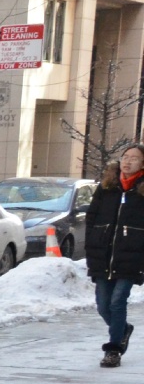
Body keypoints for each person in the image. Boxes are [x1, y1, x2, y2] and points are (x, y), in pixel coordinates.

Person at [85, 145, 144, 367]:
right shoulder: (107, 187)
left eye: (135, 159)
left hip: (131, 257)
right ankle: (123, 330)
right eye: (125, 157)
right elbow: (92, 217)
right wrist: (92, 243)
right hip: (103, 254)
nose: (128, 162)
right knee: (103, 306)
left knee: (118, 302)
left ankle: (113, 350)